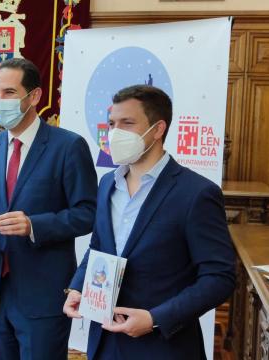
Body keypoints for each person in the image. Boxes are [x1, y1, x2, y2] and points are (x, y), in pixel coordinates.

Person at [63, 85, 235, 360]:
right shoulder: (108, 183)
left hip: (164, 347)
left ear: (157, 129)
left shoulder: (197, 193)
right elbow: (99, 246)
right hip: (105, 341)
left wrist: (155, 318)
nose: (114, 133)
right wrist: (78, 286)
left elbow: (219, 278)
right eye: (112, 124)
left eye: (127, 123)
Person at [0, 58, 98, 360]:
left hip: (42, 292)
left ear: (33, 96)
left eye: (8, 92)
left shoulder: (68, 146)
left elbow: (88, 212)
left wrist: (34, 225)